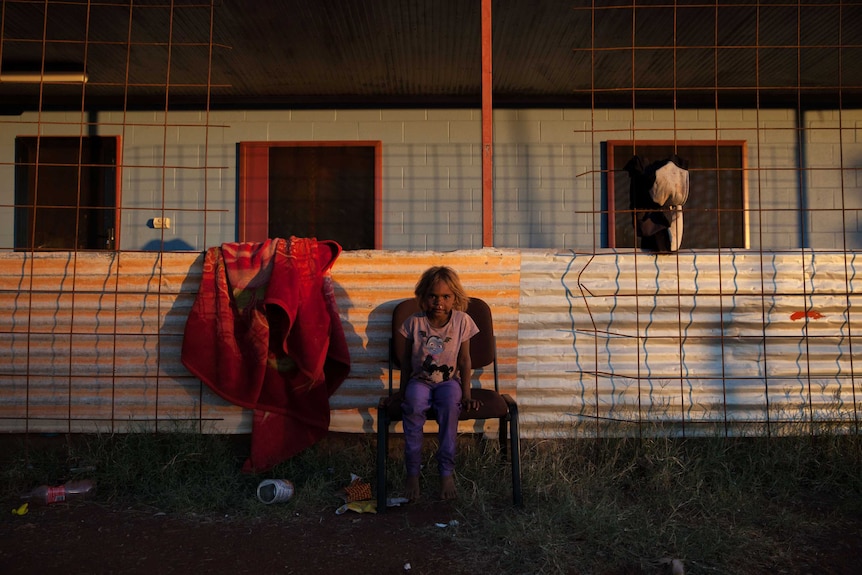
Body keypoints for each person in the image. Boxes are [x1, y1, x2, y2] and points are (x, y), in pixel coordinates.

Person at [392, 266, 482, 501]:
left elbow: (464, 360)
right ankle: (412, 472)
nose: (439, 302)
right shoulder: (415, 322)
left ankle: (446, 472)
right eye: (433, 296)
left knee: (451, 407)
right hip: (418, 382)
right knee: (413, 406)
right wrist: (401, 393)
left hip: (449, 382)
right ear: (423, 296)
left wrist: (467, 394)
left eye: (446, 297)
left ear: (455, 298)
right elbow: (405, 360)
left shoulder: (462, 321)